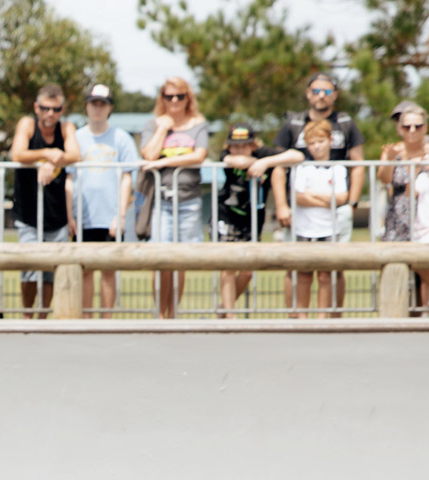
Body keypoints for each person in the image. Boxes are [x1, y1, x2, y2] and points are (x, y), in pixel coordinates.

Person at [249, 73, 364, 312]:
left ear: (335, 94)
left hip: (337, 203)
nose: (322, 96)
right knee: (297, 267)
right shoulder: (293, 123)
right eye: (317, 90)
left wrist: (350, 203)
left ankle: (333, 317)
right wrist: (282, 204)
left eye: (327, 91)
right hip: (300, 209)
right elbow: (280, 165)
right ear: (308, 93)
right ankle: (296, 317)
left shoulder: (345, 122)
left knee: (334, 269)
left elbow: (358, 164)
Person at [140, 77, 208, 319]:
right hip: (161, 200)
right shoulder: (154, 123)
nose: (175, 101)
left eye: (180, 96)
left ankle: (173, 315)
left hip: (188, 200)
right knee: (161, 259)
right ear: (163, 98)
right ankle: (159, 316)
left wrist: (165, 162)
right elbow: (148, 153)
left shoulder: (198, 124)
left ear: (188, 98)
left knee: (180, 260)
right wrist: (162, 128)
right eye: (169, 96)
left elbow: (199, 155)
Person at [67, 82, 137, 317]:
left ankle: (107, 318)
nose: (97, 109)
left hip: (110, 217)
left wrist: (121, 214)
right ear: (86, 106)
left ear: (110, 108)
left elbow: (128, 178)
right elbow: (69, 178)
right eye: (93, 104)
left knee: (109, 270)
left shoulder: (121, 138)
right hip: (83, 216)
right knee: (85, 269)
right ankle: (86, 317)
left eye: (102, 104)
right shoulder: (75, 137)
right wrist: (70, 215)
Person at [11, 84, 81, 316]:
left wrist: (53, 161)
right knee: (30, 266)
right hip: (29, 210)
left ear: (62, 110)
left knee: (51, 268)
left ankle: (43, 315)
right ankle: (27, 314)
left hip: (57, 212)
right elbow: (17, 154)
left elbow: (75, 155)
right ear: (36, 107)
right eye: (45, 108)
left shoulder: (67, 127)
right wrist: (47, 154)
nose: (50, 113)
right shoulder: (27, 125)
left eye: (56, 109)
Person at [289, 118, 349, 317]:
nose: (316, 147)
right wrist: (327, 200)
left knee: (325, 276)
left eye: (320, 141)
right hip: (303, 229)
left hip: (328, 229)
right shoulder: (301, 168)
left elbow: (341, 197)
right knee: (304, 275)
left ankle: (323, 318)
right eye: (312, 143)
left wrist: (312, 195)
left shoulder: (338, 168)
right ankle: (302, 317)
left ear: (330, 140)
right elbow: (298, 197)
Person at [213, 123, 269, 315]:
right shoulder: (225, 156)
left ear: (253, 145)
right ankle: (230, 314)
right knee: (228, 267)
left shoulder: (263, 155)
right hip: (227, 215)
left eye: (244, 146)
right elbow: (233, 161)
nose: (238, 150)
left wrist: (264, 162)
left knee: (248, 269)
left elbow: (296, 155)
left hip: (252, 220)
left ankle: (224, 307)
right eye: (234, 146)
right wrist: (256, 162)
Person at [377, 101, 429, 309]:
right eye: (407, 126)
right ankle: (397, 319)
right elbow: (384, 179)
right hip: (399, 217)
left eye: (418, 126)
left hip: (424, 216)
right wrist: (389, 160)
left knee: (424, 270)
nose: (413, 131)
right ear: (400, 128)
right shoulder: (394, 150)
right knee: (396, 269)